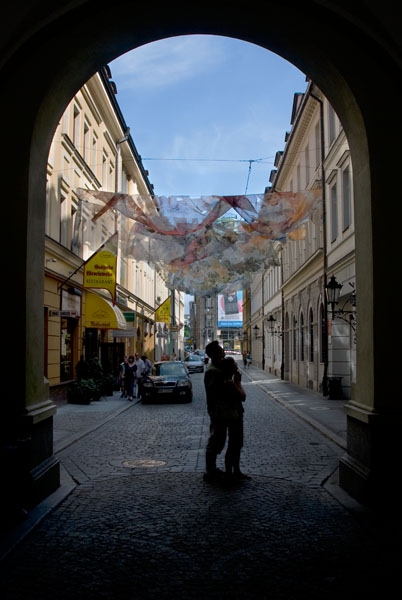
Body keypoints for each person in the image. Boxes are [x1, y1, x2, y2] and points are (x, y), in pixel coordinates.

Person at [220, 356, 250, 480]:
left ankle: (235, 470)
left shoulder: (226, 380)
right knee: (234, 444)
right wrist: (238, 382)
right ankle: (230, 472)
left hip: (233, 415)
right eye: (235, 365)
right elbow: (243, 396)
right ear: (230, 368)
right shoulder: (229, 382)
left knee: (236, 444)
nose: (237, 367)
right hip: (233, 416)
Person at [203, 340, 227, 481]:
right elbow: (215, 393)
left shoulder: (217, 369)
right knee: (215, 439)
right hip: (218, 411)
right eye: (220, 349)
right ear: (215, 353)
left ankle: (211, 469)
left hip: (220, 410)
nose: (223, 351)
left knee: (219, 439)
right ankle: (210, 471)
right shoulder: (213, 372)